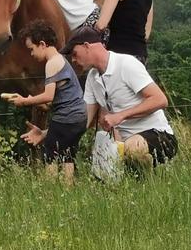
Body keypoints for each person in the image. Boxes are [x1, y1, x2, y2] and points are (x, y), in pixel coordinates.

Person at [61, 25, 177, 172]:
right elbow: (84, 119)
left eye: (74, 53)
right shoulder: (92, 77)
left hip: (158, 135)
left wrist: (120, 116)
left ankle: (149, 184)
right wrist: (51, 133)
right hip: (121, 144)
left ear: (86, 46)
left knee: (132, 150)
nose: (73, 60)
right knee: (104, 170)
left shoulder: (126, 64)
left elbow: (160, 100)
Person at [10, 19, 87, 184]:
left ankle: (50, 190)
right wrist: (35, 101)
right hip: (79, 117)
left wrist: (25, 101)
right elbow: (56, 99)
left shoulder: (52, 64)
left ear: (42, 44)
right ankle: (68, 188)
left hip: (66, 117)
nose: (31, 54)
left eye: (31, 49)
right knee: (67, 156)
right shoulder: (62, 61)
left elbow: (48, 96)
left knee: (50, 155)